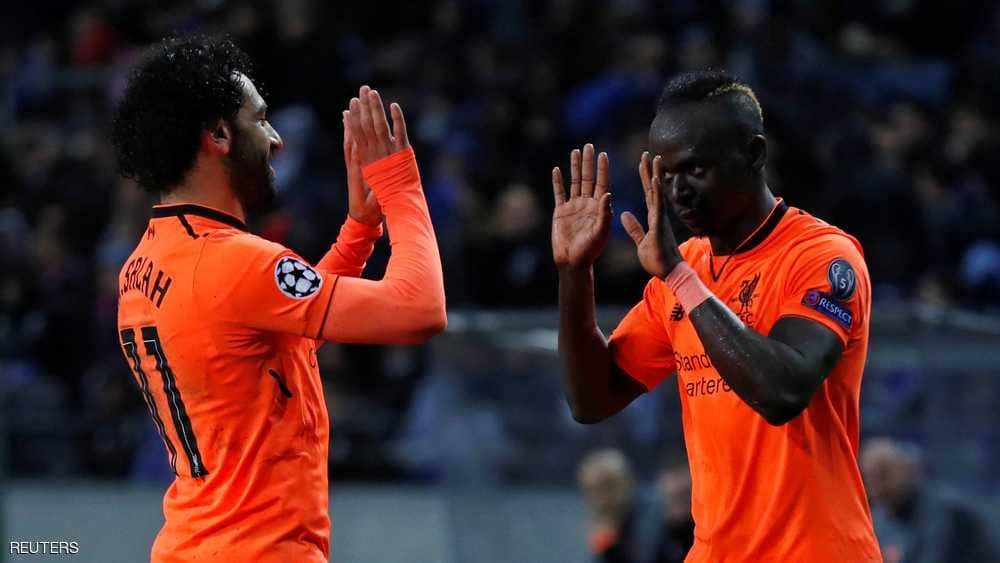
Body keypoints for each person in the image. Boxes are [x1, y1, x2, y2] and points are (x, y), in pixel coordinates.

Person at [112, 36, 446, 563]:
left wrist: (359, 231)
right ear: (219, 135)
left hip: (192, 544)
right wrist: (399, 182)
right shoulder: (235, 262)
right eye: (260, 119)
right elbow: (420, 309)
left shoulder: (141, 266)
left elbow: (279, 347)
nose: (276, 140)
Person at [551, 70, 881, 561]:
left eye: (696, 169)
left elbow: (782, 393)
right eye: (666, 175)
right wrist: (575, 273)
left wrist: (680, 278)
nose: (678, 191)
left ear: (753, 154)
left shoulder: (821, 257)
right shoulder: (684, 268)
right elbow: (592, 400)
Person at [861, 437, 999, 563]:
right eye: (870, 478)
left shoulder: (944, 511)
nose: (877, 486)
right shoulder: (879, 519)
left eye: (884, 474)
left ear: (905, 468)